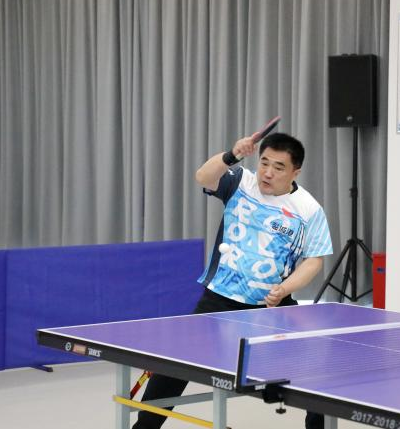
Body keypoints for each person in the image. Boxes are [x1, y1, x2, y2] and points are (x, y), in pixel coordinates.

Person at [133, 131, 333, 429]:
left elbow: (314, 259)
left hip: (271, 306)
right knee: (174, 366)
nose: (268, 172)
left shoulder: (309, 209)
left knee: (316, 371)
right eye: (264, 162)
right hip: (218, 299)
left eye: (278, 167)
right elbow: (203, 176)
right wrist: (231, 155)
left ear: (295, 171)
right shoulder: (241, 181)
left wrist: (285, 289)